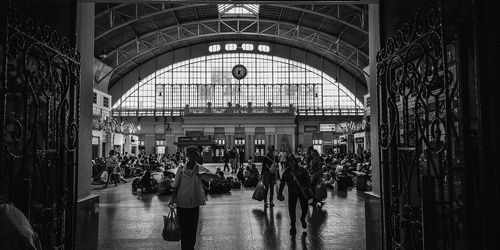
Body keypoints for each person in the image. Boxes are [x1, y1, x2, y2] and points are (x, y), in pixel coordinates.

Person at [169, 145, 206, 250]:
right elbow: (175, 185)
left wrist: (212, 178)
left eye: (196, 154)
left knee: (193, 230)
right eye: (192, 155)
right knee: (184, 230)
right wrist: (172, 199)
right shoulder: (181, 169)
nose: (194, 157)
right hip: (182, 203)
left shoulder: (200, 169)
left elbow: (208, 180)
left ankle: (191, 248)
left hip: (194, 203)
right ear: (188, 156)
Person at [277, 155, 311, 235]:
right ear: (288, 163)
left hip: (302, 192)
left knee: (305, 208)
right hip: (292, 193)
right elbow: (282, 183)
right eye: (290, 161)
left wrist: (309, 188)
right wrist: (280, 193)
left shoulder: (302, 170)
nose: (291, 163)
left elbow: (308, 178)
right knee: (291, 210)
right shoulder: (287, 172)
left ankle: (302, 218)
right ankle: (293, 226)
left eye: (293, 161)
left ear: (295, 161)